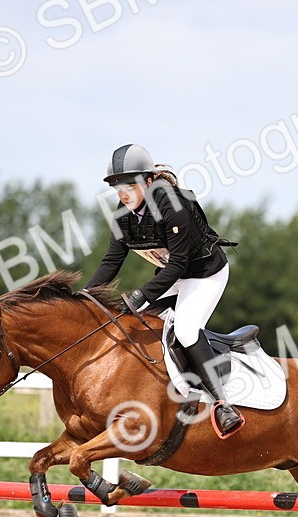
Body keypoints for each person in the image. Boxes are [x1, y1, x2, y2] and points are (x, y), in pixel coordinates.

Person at [84, 143, 244, 438]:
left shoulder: (173, 206)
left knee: (185, 329)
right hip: (173, 275)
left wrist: (142, 294)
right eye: (118, 188)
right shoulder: (123, 215)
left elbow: (180, 263)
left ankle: (224, 404)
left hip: (206, 274)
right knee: (130, 324)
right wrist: (84, 296)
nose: (124, 194)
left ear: (148, 181)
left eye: (130, 185)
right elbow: (112, 260)